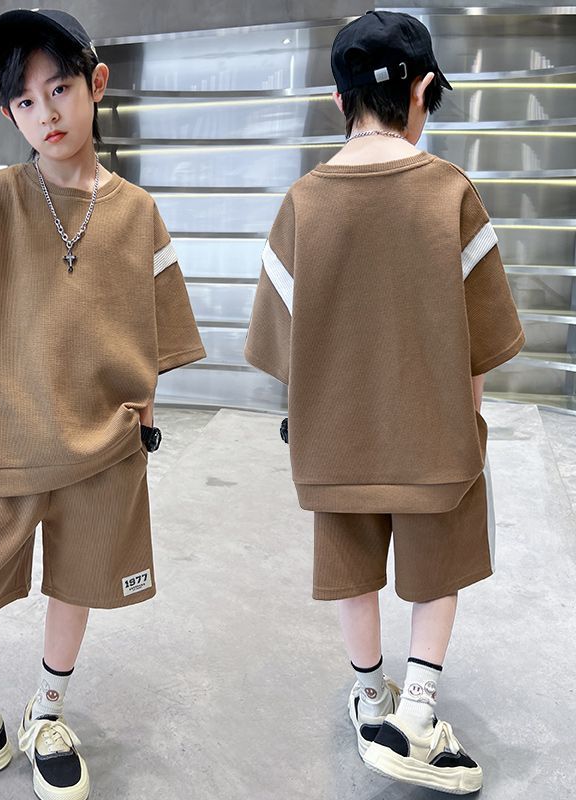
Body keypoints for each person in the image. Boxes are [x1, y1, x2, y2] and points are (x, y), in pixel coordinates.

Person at [0, 9, 205, 799]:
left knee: (77, 584)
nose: (46, 112)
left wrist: (143, 415)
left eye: (59, 89)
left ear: (96, 84)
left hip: (102, 446)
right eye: (24, 100)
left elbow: (155, 328)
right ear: (7, 113)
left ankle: (47, 713)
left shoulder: (138, 211)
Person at [244, 10, 524, 795]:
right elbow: (482, 340)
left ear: (339, 101)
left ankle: (372, 700)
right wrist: (469, 424)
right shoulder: (451, 193)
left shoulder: (302, 202)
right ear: (424, 90)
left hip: (336, 441)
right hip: (435, 437)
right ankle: (419, 713)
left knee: (353, 572)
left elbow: (280, 343)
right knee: (438, 571)